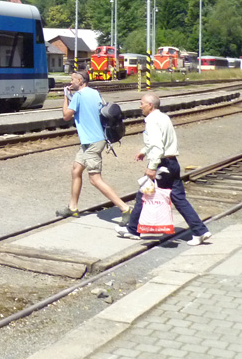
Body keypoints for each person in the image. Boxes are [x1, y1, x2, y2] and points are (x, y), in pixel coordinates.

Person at [117, 93, 212, 245]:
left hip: (161, 165)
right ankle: (200, 231)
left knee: (143, 195)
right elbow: (163, 141)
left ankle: (133, 230)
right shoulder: (164, 117)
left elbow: (157, 146)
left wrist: (152, 167)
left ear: (150, 105)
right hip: (172, 162)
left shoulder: (152, 121)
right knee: (179, 198)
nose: (140, 106)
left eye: (142, 103)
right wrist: (144, 151)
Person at [57, 70, 131, 223]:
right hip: (92, 140)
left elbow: (66, 116)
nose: (71, 82)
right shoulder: (95, 93)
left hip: (92, 142)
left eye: (73, 79)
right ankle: (73, 207)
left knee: (95, 179)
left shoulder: (78, 96)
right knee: (76, 169)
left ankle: (124, 208)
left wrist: (65, 96)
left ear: (80, 81)